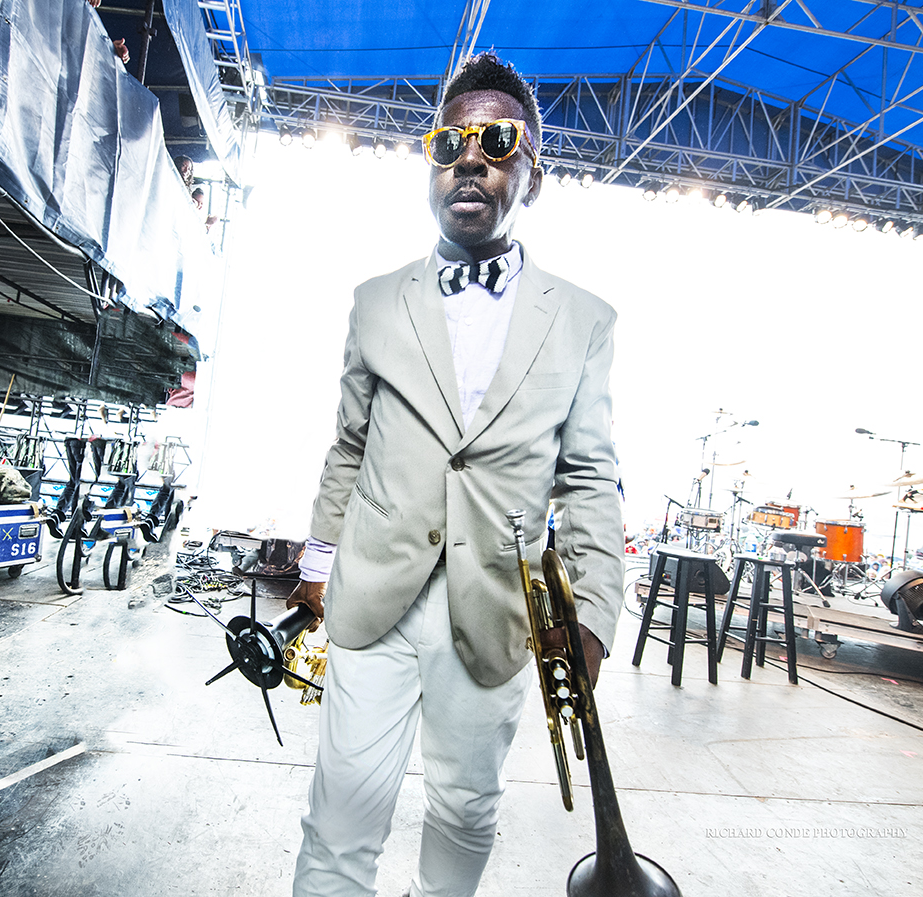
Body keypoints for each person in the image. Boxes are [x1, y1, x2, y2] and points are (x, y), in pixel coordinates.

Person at [287, 53, 624, 897]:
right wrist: (316, 569)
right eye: (450, 142)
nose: (469, 157)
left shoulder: (584, 321)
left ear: (533, 175)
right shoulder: (372, 301)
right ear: (432, 167)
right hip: (375, 595)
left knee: (468, 812)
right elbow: (348, 446)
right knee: (341, 819)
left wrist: (598, 614)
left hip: (498, 612)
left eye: (497, 139)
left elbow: (589, 479)